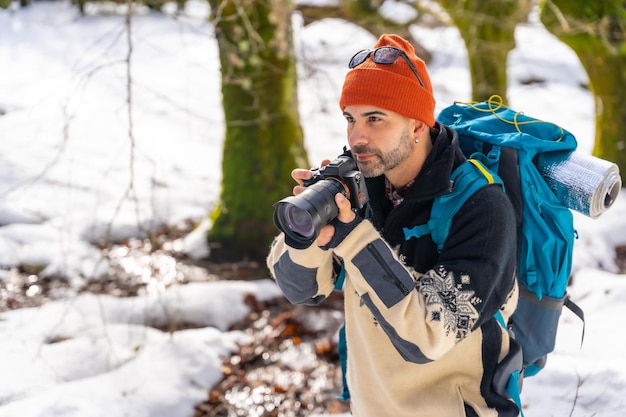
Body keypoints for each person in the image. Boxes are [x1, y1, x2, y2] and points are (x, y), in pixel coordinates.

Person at [266, 33, 520, 417]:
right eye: (350, 119)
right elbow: (302, 290)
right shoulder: (362, 187)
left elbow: (426, 339)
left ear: (418, 125)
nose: (356, 138)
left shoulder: (481, 209)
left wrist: (354, 241)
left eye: (375, 119)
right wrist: (311, 233)